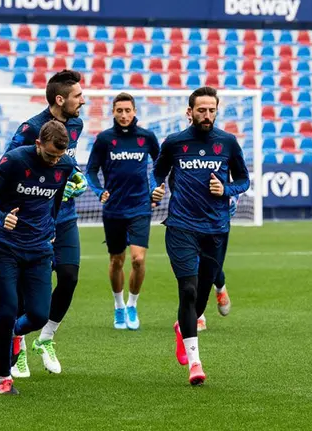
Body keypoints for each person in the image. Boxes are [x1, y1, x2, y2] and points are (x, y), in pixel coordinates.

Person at [151, 86, 250, 385]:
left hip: (216, 228)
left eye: (211, 110)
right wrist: (155, 190)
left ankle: (185, 327)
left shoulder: (228, 143)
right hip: (181, 225)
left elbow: (243, 179)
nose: (206, 115)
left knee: (202, 297)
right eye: (201, 110)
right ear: (190, 111)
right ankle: (196, 362)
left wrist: (227, 189)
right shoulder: (174, 143)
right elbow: (157, 172)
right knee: (188, 290)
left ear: (217, 110)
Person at [0, 120, 78, 395]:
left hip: (39, 249)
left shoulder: (64, 165)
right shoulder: (15, 160)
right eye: (50, 155)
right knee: (7, 312)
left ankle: (15, 335)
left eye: (59, 156)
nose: (55, 161)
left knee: (40, 315)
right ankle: (3, 378)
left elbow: (56, 199)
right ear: (38, 144)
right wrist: (0, 217)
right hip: (4, 246)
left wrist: (52, 227)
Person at [6, 69, 87, 377]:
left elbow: (69, 161)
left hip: (65, 217)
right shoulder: (30, 129)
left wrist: (75, 179)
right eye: (78, 96)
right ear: (59, 99)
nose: (83, 100)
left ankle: (47, 339)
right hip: (33, 220)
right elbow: (8, 167)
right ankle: (19, 344)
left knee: (69, 276)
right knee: (26, 292)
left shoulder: (76, 124)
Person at [85, 92, 159, 330]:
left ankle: (132, 304)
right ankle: (118, 307)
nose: (124, 115)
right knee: (117, 260)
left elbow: (160, 166)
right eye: (120, 111)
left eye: (128, 110)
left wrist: (157, 187)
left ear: (135, 111)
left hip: (140, 207)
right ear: (113, 112)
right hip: (114, 210)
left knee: (138, 259)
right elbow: (90, 171)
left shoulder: (147, 137)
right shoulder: (105, 139)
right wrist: (99, 191)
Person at [197, 195, 237, 331]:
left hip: (217, 216)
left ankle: (220, 286)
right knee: (189, 264)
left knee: (212, 265)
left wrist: (233, 197)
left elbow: (239, 177)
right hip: (187, 213)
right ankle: (197, 314)